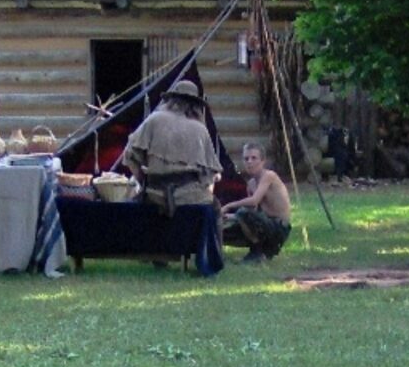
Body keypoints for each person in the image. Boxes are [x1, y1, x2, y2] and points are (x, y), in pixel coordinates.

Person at [123, 80, 222, 216]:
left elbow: (130, 155)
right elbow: (207, 176)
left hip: (154, 193)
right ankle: (214, 238)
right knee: (215, 209)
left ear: (171, 100)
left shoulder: (154, 119)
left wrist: (143, 181)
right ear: (195, 105)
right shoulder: (200, 129)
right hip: (189, 196)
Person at [221, 142, 292, 263]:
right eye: (246, 158)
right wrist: (228, 217)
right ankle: (256, 253)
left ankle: (259, 251)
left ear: (263, 161)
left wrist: (228, 206)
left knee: (243, 212)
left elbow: (254, 201)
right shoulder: (251, 184)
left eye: (254, 158)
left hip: (278, 228)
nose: (249, 162)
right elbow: (254, 212)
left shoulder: (269, 176)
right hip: (264, 223)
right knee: (223, 230)